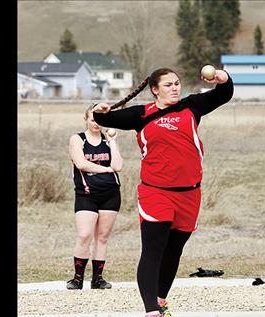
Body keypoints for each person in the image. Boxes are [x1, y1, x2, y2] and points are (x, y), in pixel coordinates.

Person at [92, 67, 233, 316]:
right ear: (155, 90)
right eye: (168, 85)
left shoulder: (191, 107)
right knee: (154, 248)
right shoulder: (141, 115)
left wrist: (224, 80)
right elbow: (107, 119)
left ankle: (161, 300)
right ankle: (151, 311)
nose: (175, 88)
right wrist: (100, 111)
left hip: (190, 193)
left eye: (177, 83)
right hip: (156, 192)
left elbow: (223, 95)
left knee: (174, 249)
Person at [66, 104, 123, 290]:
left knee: (102, 237)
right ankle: (77, 278)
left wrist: (113, 142)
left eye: (99, 120)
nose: (96, 123)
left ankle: (98, 279)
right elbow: (82, 164)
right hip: (86, 194)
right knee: (84, 235)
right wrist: (106, 169)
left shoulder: (108, 140)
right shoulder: (78, 139)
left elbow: (118, 165)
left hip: (110, 193)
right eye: (93, 119)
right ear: (86, 119)